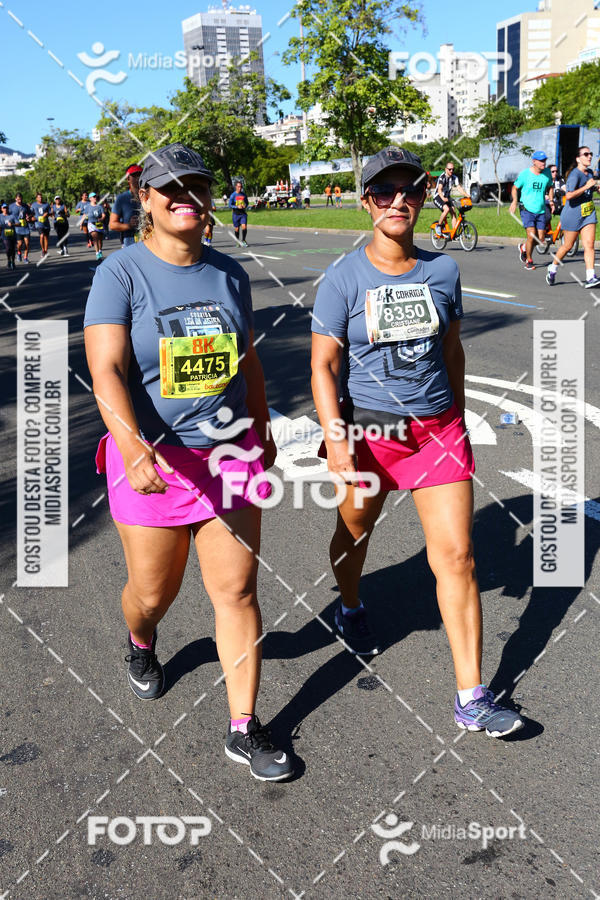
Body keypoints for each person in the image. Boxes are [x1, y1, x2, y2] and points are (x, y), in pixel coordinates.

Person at [83, 142, 293, 781]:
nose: (184, 196)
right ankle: (141, 641)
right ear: (144, 198)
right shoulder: (120, 274)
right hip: (153, 460)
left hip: (227, 456)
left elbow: (246, 360)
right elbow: (107, 367)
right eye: (167, 186)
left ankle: (243, 728)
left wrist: (261, 428)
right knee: (153, 593)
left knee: (236, 592)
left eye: (195, 185)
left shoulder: (229, 273)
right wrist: (129, 443)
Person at [311, 146, 523, 739]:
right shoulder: (343, 278)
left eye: (410, 190)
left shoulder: (444, 271)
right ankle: (349, 604)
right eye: (385, 191)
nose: (399, 200)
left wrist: (456, 418)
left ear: (424, 198)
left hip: (437, 432)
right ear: (366, 203)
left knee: (458, 556)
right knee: (354, 533)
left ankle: (471, 697)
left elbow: (451, 349)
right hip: (371, 431)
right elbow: (323, 366)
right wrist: (338, 444)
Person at [546, 146, 599, 288]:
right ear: (578, 158)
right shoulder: (575, 174)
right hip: (573, 214)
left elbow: (590, 189)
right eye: (586, 154)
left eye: (591, 154)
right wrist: (587, 187)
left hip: (588, 213)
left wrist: (597, 188)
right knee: (567, 246)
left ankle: (590, 277)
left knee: (589, 245)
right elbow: (568, 195)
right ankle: (553, 267)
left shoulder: (590, 173)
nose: (589, 156)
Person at [510, 150, 553, 271]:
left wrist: (551, 201)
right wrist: (514, 201)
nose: (543, 163)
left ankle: (524, 247)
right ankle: (529, 260)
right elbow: (514, 188)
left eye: (544, 160)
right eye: (541, 161)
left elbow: (550, 187)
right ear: (534, 161)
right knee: (531, 235)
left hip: (540, 210)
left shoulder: (547, 173)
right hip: (527, 209)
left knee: (540, 239)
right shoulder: (525, 174)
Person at [110, 164, 142, 248]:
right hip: (130, 242)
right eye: (134, 176)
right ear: (128, 178)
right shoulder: (122, 198)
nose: (138, 178)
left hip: (150, 240)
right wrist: (129, 225)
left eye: (140, 175)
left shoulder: (150, 196)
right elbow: (112, 225)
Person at [434, 161, 469, 235]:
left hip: (447, 197)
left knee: (453, 212)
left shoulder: (454, 178)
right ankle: (438, 226)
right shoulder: (442, 177)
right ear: (446, 169)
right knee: (446, 209)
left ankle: (454, 233)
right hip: (438, 197)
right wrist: (443, 198)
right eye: (449, 169)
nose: (451, 171)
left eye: (453, 169)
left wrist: (467, 195)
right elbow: (439, 190)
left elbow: (459, 188)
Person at [10, 193, 31, 264]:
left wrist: (29, 217)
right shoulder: (11, 206)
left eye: (21, 199)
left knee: (27, 243)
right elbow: (8, 215)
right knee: (19, 244)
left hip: (25, 227)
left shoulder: (25, 206)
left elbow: (30, 213)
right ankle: (19, 253)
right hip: (17, 228)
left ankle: (25, 258)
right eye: (18, 199)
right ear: (15, 199)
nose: (20, 200)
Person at [228, 180, 249, 247]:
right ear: (236, 187)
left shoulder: (244, 194)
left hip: (243, 214)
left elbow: (247, 202)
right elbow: (229, 205)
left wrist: (245, 205)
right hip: (236, 214)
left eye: (241, 187)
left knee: (244, 227)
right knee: (237, 228)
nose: (240, 188)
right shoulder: (233, 195)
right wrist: (236, 206)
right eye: (238, 187)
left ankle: (243, 240)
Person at [86, 192, 105, 260]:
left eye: (95, 197)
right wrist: (82, 223)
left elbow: (103, 215)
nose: (95, 198)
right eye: (93, 197)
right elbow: (85, 215)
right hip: (91, 223)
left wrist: (101, 218)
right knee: (95, 238)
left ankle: (100, 251)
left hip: (99, 223)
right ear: (90, 198)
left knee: (100, 239)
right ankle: (97, 253)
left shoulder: (100, 206)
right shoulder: (88, 207)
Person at [0, 202, 18, 269]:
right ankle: (8, 261)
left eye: (6, 208)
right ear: (1, 209)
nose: (5, 209)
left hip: (12, 235)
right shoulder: (0, 216)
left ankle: (13, 262)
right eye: (4, 208)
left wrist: (13, 224)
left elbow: (18, 223)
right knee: (8, 249)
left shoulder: (12, 216)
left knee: (13, 249)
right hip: (4, 235)